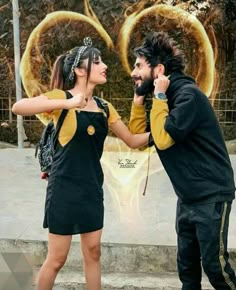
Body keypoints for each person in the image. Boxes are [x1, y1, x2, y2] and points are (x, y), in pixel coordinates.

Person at [12, 37, 149, 290]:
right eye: (97, 61)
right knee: (57, 258)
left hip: (91, 190)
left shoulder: (105, 108)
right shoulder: (60, 99)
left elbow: (132, 140)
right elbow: (19, 107)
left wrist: (166, 133)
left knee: (93, 253)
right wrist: (67, 103)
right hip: (63, 190)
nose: (104, 65)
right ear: (79, 70)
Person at [129, 31, 236, 290]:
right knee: (187, 269)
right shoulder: (162, 102)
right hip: (187, 197)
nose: (133, 72)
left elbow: (164, 139)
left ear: (159, 70)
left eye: (139, 66)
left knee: (215, 267)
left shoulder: (188, 96)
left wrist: (159, 98)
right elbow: (137, 139)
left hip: (211, 195)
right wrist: (139, 98)